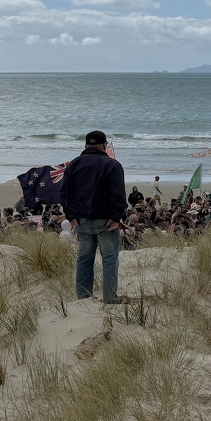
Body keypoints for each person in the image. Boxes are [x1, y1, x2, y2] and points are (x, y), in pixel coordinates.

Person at [60, 130, 128, 304]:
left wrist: (71, 216)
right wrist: (116, 216)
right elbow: (118, 194)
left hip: (82, 221)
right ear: (105, 145)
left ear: (85, 145)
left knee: (84, 259)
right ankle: (110, 297)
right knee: (109, 259)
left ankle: (83, 298)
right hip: (106, 221)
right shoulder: (112, 165)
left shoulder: (73, 165)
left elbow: (64, 193)